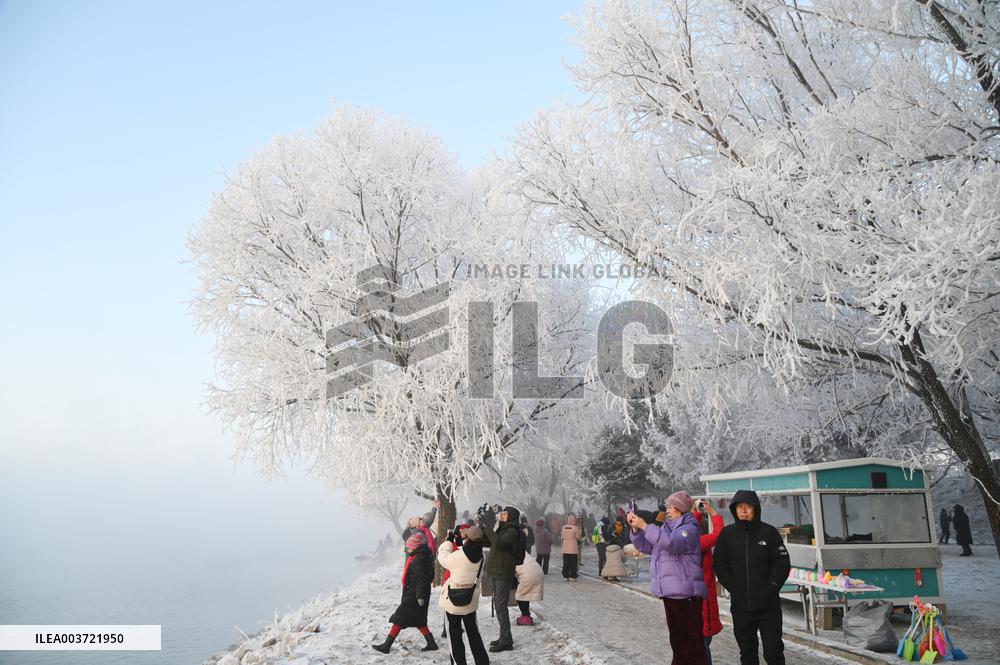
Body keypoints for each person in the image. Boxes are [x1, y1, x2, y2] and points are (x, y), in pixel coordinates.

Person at [628, 492, 709, 665]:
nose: (668, 510)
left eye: (671, 507)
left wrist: (646, 526)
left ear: (681, 509)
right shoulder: (665, 529)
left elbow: (672, 544)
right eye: (667, 507)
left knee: (692, 644)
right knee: (678, 642)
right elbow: (646, 545)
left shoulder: (689, 529)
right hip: (670, 593)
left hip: (686, 595)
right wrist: (636, 530)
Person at [714, 490, 791, 665]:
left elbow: (782, 563)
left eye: (748, 507)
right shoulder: (728, 535)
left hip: (768, 607)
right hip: (741, 607)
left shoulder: (769, 533)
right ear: (734, 510)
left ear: (755, 509)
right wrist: (733, 586)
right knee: (747, 654)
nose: (744, 510)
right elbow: (720, 563)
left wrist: (771, 587)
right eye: (740, 507)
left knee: (774, 653)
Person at [372, 532, 438, 654]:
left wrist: (420, 596)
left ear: (415, 547)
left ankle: (386, 646)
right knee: (419, 620)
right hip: (416, 593)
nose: (407, 549)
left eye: (409, 547)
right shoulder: (422, 556)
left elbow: (423, 579)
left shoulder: (418, 559)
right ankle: (431, 643)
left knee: (399, 618)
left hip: (414, 595)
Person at [438, 526, 489, 665]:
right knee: (474, 634)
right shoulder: (481, 556)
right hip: (470, 600)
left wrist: (448, 541)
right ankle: (482, 661)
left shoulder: (458, 556)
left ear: (467, 539)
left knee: (454, 636)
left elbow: (442, 557)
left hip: (453, 603)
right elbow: (467, 554)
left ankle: (459, 662)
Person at [481, 505, 525, 652]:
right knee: (499, 606)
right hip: (497, 570)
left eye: (505, 514)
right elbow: (490, 543)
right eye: (502, 514)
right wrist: (483, 525)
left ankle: (506, 641)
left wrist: (488, 526)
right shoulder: (503, 529)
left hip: (503, 572)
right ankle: (504, 637)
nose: (502, 516)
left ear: (511, 516)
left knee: (500, 606)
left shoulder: (512, 531)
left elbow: (499, 543)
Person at [693, 500, 725, 665]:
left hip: (703, 601)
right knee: (703, 645)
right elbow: (720, 534)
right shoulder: (697, 543)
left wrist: (698, 513)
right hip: (702, 601)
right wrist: (714, 514)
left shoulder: (689, 541)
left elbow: (691, 526)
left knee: (703, 643)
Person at [513, 554, 544, 626]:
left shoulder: (510, 552)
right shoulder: (522, 551)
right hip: (537, 572)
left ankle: (526, 617)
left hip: (527, 575)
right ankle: (526, 615)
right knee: (525, 594)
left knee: (521, 596)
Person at [560, 514, 582, 581]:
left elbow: (562, 536)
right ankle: (573, 576)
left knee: (566, 562)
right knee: (573, 562)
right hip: (573, 547)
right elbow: (578, 537)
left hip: (565, 547)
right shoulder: (575, 528)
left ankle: (565, 575)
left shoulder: (564, 527)